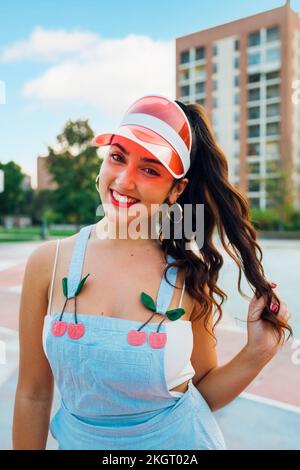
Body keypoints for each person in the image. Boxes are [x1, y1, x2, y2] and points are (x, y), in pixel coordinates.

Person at [13, 95, 292, 450]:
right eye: (118, 157)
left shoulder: (187, 275)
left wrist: (258, 352)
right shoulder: (47, 263)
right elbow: (33, 394)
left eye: (150, 169)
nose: (125, 181)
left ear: (176, 189)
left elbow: (204, 392)